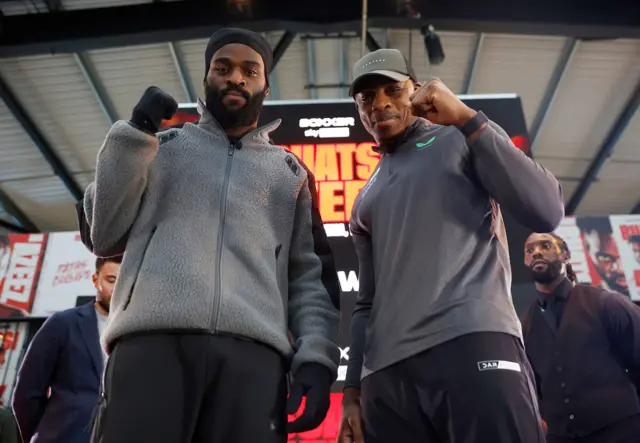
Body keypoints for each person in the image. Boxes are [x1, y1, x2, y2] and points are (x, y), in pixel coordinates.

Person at [83, 28, 340, 443]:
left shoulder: (290, 174)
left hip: (253, 360)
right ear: (205, 80)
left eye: (249, 70)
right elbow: (104, 231)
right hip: (151, 348)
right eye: (222, 68)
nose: (235, 77)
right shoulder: (158, 147)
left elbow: (308, 280)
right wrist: (134, 133)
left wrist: (316, 359)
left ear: (265, 85)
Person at [338, 48, 565, 443]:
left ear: (416, 89)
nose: (380, 104)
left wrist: (467, 118)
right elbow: (365, 304)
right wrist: (353, 391)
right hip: (388, 380)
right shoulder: (364, 199)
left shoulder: (460, 137)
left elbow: (546, 210)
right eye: (366, 98)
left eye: (393, 89)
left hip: (471, 345)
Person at [521, 232, 640, 443]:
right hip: (562, 436)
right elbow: (533, 388)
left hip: (622, 431)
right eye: (530, 250)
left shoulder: (606, 304)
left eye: (546, 246)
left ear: (565, 254)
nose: (537, 252)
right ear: (525, 261)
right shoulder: (525, 325)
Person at [11, 256, 122, 443]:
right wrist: (44, 433)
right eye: (111, 280)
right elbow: (26, 394)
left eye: (124, 281)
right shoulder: (63, 323)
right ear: (95, 280)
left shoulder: (136, 332)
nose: (117, 289)